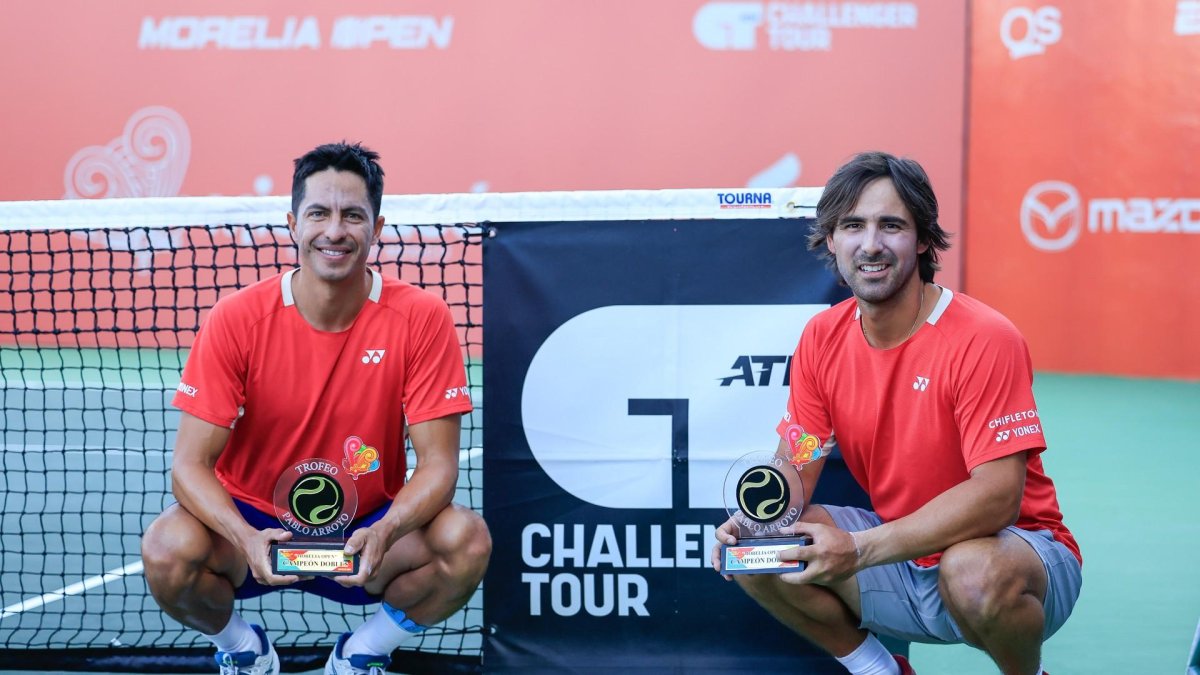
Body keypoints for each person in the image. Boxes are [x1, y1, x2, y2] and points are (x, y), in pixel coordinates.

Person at [711, 151, 1081, 675]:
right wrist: (756, 518)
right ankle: (878, 670)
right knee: (756, 548)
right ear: (832, 240)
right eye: (853, 225)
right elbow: (799, 460)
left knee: (970, 570)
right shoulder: (821, 337)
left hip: (1015, 555)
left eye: (892, 225)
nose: (871, 244)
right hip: (898, 554)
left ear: (924, 239)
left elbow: (998, 497)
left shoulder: (984, 337)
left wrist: (859, 550)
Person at [142, 142, 491, 675]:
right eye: (319, 213)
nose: (335, 231)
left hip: (366, 530)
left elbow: (439, 466)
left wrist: (385, 530)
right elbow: (188, 466)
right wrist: (246, 536)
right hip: (254, 527)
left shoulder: (422, 318)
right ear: (292, 223)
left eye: (354, 215)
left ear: (377, 229)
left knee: (464, 542)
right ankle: (243, 650)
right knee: (167, 549)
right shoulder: (236, 319)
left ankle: (361, 655)